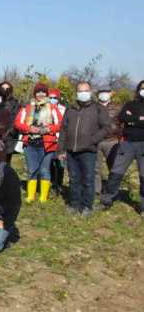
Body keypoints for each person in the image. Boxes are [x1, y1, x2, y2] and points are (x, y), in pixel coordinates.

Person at [57, 82, 112, 216]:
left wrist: (92, 140)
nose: (83, 93)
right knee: (74, 178)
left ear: (90, 91)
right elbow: (63, 129)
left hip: (88, 150)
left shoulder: (98, 108)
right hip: (71, 150)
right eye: (80, 91)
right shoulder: (70, 109)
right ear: (76, 93)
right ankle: (74, 204)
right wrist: (60, 149)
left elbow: (106, 127)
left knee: (88, 179)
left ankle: (87, 206)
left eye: (86, 90)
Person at [100, 81, 144, 216]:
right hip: (127, 143)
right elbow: (122, 117)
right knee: (116, 172)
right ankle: (106, 201)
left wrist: (133, 119)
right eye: (142, 88)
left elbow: (129, 119)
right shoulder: (130, 104)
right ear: (138, 90)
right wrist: (140, 119)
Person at [14, 83, 62, 203]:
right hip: (30, 143)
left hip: (47, 143)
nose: (41, 94)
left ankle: (43, 197)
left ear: (46, 94)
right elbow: (17, 123)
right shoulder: (27, 108)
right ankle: (30, 196)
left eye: (43, 92)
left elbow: (61, 124)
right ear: (34, 94)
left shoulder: (53, 108)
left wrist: (48, 129)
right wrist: (29, 128)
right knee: (32, 170)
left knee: (44, 170)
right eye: (38, 92)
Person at [94, 89, 122, 194]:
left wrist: (121, 137)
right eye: (101, 93)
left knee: (114, 167)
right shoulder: (93, 107)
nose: (104, 95)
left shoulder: (118, 107)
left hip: (112, 140)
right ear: (97, 95)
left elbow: (123, 122)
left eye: (106, 92)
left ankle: (112, 191)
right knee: (95, 168)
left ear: (110, 94)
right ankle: (96, 190)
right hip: (96, 141)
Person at [47, 88, 67, 195]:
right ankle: (50, 184)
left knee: (60, 163)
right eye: (50, 97)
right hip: (48, 140)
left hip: (61, 140)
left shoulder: (63, 109)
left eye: (54, 98)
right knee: (49, 162)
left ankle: (59, 184)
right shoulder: (44, 108)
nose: (52, 99)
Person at [0, 81, 22, 164]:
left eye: (7, 89)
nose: (5, 90)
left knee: (5, 162)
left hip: (9, 137)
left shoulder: (15, 103)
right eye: (3, 88)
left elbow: (15, 119)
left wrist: (8, 132)